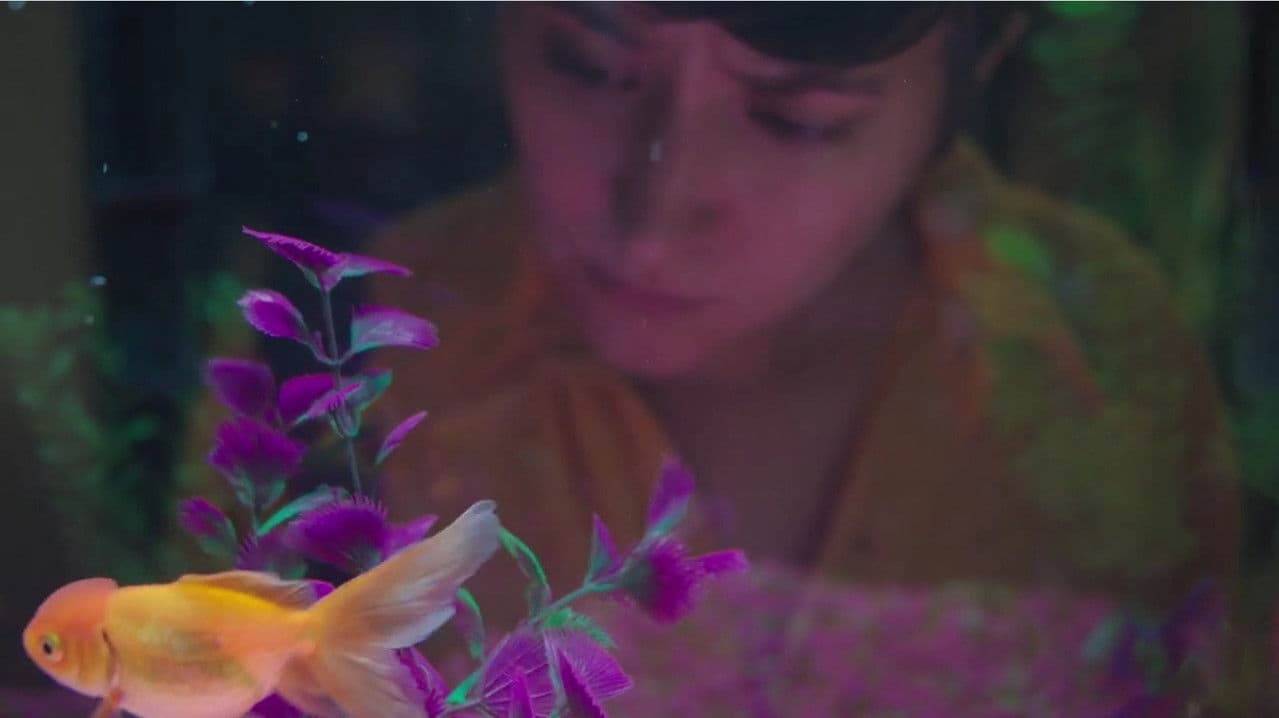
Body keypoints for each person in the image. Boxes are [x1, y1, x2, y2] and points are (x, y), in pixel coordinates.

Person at [187, 3, 1246, 713]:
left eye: (798, 119)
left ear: (979, 62)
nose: (653, 218)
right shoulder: (329, 359)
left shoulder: (1094, 353)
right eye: (589, 65)